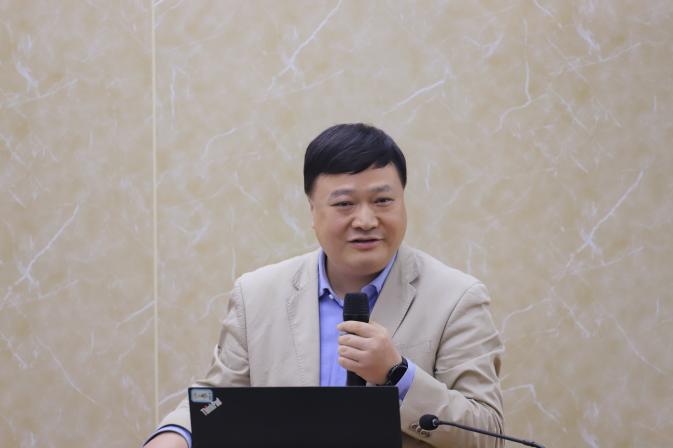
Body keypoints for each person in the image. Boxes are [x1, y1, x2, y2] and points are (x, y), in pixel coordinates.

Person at [145, 123, 504, 447]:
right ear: (312, 211)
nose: (366, 220)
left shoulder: (457, 298)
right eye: (344, 204)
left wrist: (398, 374)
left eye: (383, 201)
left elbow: (488, 435)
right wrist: (176, 435)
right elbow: (215, 401)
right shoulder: (256, 295)